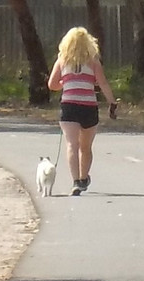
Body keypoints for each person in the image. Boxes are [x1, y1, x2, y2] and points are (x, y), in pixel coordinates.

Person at [48, 26, 118, 196]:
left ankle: (76, 182)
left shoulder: (62, 60)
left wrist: (65, 84)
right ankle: (84, 177)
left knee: (72, 144)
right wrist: (112, 102)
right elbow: (102, 83)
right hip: (88, 107)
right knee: (85, 147)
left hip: (69, 106)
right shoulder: (93, 61)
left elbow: (52, 85)